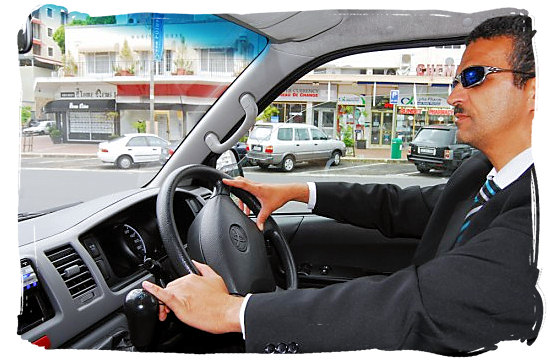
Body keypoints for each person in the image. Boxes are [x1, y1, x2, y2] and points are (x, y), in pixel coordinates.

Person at [142, 14, 542, 354]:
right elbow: (397, 206)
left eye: (473, 77)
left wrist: (231, 312)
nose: (453, 95)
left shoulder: (534, 214)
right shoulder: (480, 172)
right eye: (455, 79)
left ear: (535, 92)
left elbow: (417, 303)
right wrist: (297, 191)